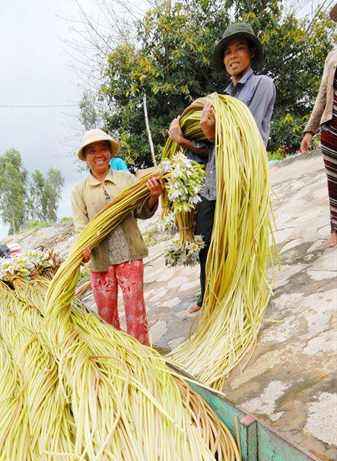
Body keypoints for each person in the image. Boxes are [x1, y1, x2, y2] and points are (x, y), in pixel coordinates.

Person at [169, 23, 276, 312]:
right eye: (227, 52)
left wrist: (214, 132)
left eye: (239, 48)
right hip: (214, 182)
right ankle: (208, 297)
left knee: (239, 243)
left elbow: (246, 133)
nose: (232, 56)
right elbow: (208, 151)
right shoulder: (220, 100)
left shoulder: (262, 85)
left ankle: (243, 297)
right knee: (205, 241)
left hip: (241, 181)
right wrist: (183, 141)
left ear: (251, 52)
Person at [71, 128, 162, 345]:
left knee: (136, 313)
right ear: (85, 156)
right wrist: (83, 250)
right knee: (107, 317)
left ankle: (143, 358)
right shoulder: (79, 190)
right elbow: (81, 228)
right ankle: (119, 358)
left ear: (110, 153)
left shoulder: (125, 179)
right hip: (100, 261)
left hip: (129, 256)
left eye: (103, 149)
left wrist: (153, 196)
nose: (98, 154)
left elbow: (142, 211)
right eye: (92, 150)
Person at [300, 6, 337, 249]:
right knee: (334, 180)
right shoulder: (332, 56)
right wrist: (309, 130)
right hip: (332, 125)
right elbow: (322, 94)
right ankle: (336, 230)